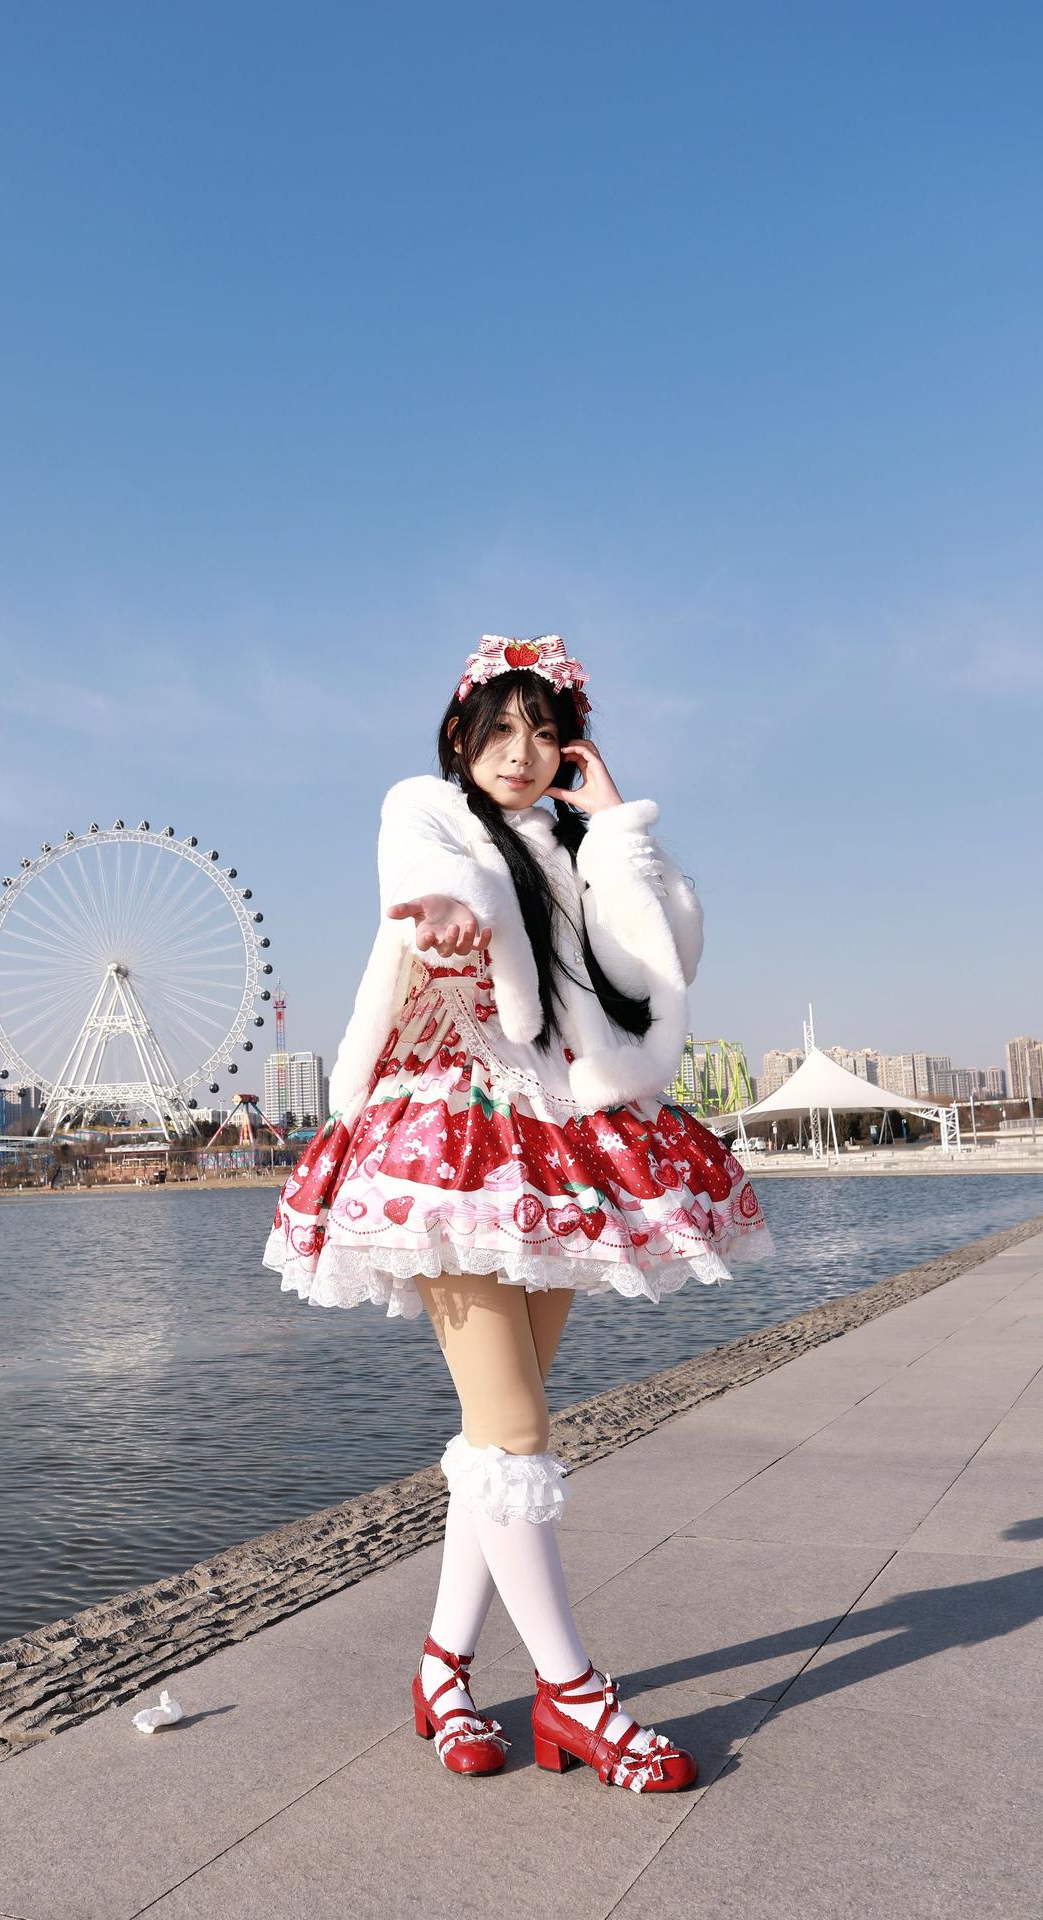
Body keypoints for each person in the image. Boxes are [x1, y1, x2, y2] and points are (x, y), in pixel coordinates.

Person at [263, 634, 774, 1791]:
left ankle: (441, 1671)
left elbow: (663, 960)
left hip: (555, 1132)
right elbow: (427, 879)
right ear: (458, 738)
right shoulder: (426, 814)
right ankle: (572, 1696)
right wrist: (447, 906)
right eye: (498, 729)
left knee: (502, 1434)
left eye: (544, 733)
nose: (521, 752)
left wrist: (616, 827)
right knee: (516, 1428)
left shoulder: (572, 845)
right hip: (446, 1137)